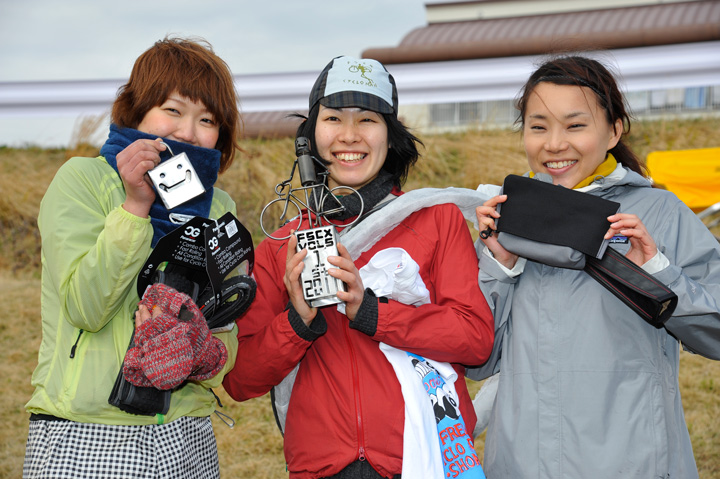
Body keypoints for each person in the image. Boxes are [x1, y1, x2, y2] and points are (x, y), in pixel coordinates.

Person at [223, 56, 494, 479]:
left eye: (367, 119)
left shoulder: (436, 220)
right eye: (333, 118)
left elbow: (475, 340)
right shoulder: (283, 245)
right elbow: (240, 380)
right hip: (321, 468)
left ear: (390, 134)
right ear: (311, 136)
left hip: (422, 460)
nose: (349, 135)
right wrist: (298, 321)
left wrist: (371, 313)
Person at [469, 55, 720, 479]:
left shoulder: (661, 214)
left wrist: (657, 271)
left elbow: (714, 334)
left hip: (634, 462)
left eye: (575, 125)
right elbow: (479, 359)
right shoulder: (510, 220)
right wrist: (499, 264)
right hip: (522, 464)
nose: (554, 144)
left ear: (614, 129)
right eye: (538, 126)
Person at [23, 37, 242, 478]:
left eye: (207, 120)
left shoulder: (219, 208)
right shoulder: (83, 181)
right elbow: (87, 306)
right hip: (86, 431)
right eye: (172, 110)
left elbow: (228, 322)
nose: (187, 133)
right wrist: (135, 206)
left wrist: (207, 353)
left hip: (185, 432)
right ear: (136, 111)